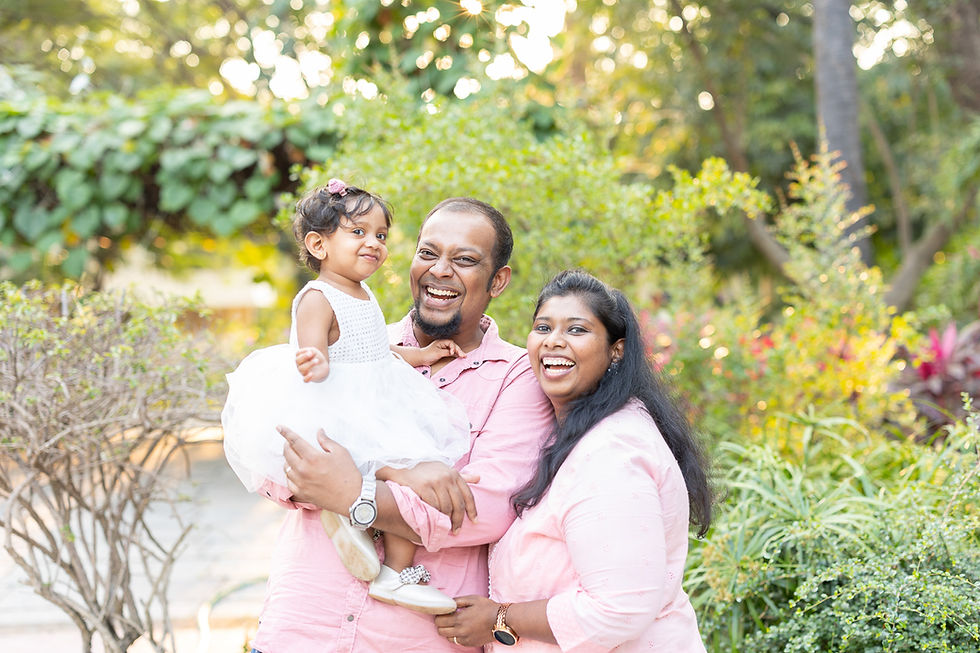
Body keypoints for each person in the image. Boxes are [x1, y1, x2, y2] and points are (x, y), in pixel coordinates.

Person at [253, 197, 555, 652]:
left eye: (465, 260)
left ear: (498, 280)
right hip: (302, 626)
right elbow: (277, 463)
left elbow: (482, 509)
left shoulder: (517, 378)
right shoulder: (350, 343)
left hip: (410, 638)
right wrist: (380, 482)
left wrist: (354, 494)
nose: (440, 270)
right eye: (428, 253)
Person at [222, 179, 473, 615]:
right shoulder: (318, 299)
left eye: (380, 235)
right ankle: (379, 553)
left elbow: (375, 351)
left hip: (377, 400)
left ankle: (390, 566)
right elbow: (313, 347)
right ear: (318, 244)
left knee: (414, 471)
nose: (373, 244)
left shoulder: (363, 292)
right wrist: (316, 361)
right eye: (358, 232)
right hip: (343, 411)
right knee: (406, 470)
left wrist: (422, 354)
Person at [434, 270, 713, 651]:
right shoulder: (576, 434)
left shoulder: (613, 452)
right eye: (543, 327)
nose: (554, 342)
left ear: (616, 349)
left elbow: (619, 608)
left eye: (577, 330)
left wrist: (499, 618)